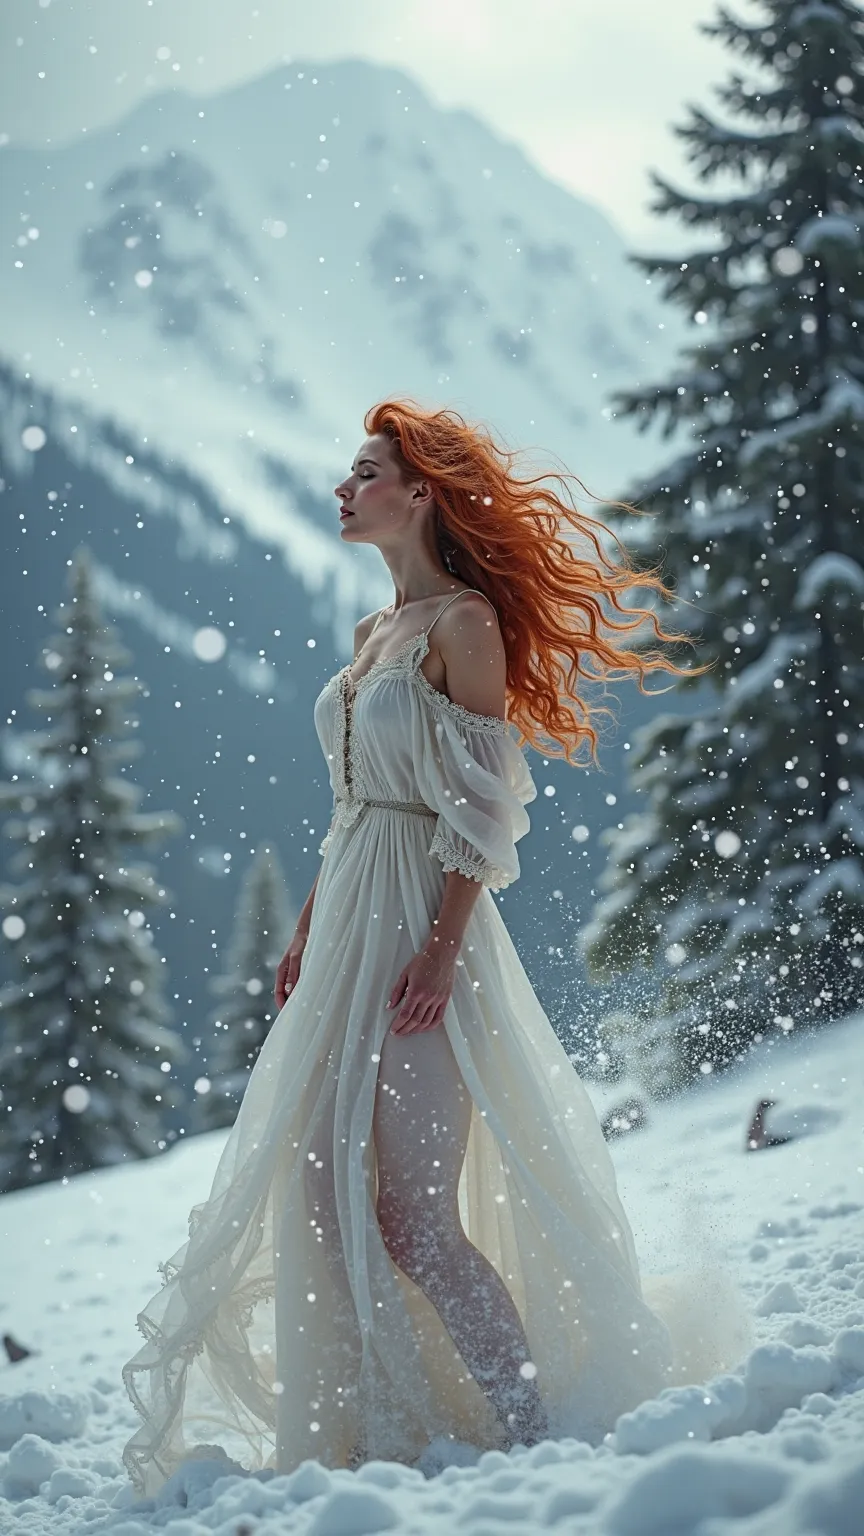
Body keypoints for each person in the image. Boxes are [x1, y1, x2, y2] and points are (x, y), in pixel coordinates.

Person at [121, 398, 729, 1498]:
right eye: (348, 475)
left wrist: (441, 950)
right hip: (352, 917)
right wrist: (310, 920)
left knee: (414, 1217)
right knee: (317, 1194)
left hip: (421, 930)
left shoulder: (465, 626)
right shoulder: (371, 638)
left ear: (421, 494)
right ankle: (367, 1428)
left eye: (364, 474)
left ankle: (533, 1421)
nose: (343, 491)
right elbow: (355, 803)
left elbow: (482, 813)